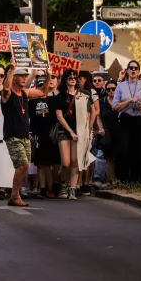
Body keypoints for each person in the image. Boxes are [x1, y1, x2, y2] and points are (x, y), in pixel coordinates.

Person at [0, 65, 53, 207]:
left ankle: (14, 195)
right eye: (21, 76)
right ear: (14, 78)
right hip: (13, 135)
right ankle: (15, 196)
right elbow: (5, 89)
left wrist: (48, 77)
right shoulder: (8, 94)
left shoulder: (24, 93)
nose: (24, 78)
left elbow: (43, 92)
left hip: (24, 135)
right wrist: (11, 71)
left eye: (25, 75)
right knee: (22, 165)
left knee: (25, 167)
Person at [112, 60, 141, 183]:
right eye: (131, 68)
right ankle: (123, 179)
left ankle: (138, 179)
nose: (133, 70)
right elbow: (115, 106)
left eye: (136, 68)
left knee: (139, 150)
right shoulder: (121, 86)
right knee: (124, 149)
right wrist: (129, 101)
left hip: (140, 119)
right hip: (125, 119)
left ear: (139, 71)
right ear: (127, 70)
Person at [53, 69, 84, 199]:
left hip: (78, 130)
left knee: (75, 161)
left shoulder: (82, 95)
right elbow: (59, 117)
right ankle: (63, 184)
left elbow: (88, 113)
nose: (73, 80)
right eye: (70, 77)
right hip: (64, 131)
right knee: (66, 163)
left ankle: (72, 189)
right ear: (65, 79)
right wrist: (70, 132)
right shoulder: (60, 96)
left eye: (75, 77)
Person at [31, 73, 60, 198]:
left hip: (51, 135)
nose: (42, 89)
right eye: (40, 86)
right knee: (40, 164)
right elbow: (29, 118)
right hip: (38, 135)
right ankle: (42, 188)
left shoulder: (53, 100)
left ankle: (51, 188)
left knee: (49, 164)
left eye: (44, 87)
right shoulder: (32, 101)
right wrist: (30, 132)